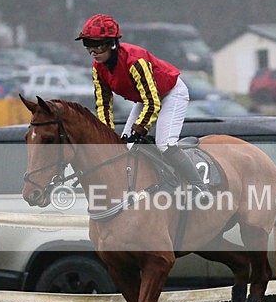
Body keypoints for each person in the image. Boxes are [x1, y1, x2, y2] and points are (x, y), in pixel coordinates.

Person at [75, 14, 210, 199]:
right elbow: (104, 104)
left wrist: (139, 130)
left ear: (112, 43)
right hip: (145, 98)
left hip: (171, 93)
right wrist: (106, 134)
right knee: (124, 146)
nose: (93, 51)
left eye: (97, 44)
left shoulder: (134, 61)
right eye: (88, 45)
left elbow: (153, 102)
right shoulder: (97, 68)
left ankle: (199, 186)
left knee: (165, 143)